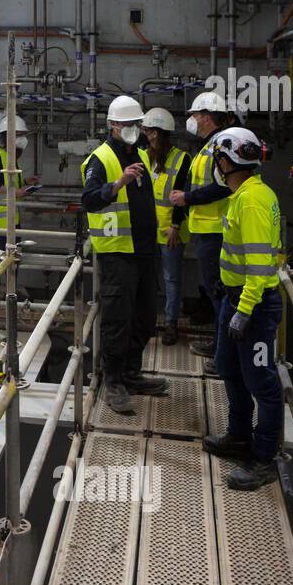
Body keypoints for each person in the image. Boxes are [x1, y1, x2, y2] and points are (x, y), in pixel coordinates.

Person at [200, 127, 283, 491]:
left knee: (262, 383)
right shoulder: (245, 195)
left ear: (226, 161)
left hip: (255, 307)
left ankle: (263, 458)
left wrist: (245, 310)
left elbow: (260, 264)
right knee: (227, 367)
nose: (215, 164)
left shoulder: (251, 201)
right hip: (235, 301)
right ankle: (238, 435)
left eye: (218, 157)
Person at [80, 95, 169, 415]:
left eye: (137, 124)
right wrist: (119, 182)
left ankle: (131, 372)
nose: (135, 130)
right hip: (118, 252)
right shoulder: (100, 159)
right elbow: (89, 200)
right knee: (117, 319)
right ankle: (113, 381)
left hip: (144, 249)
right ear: (114, 126)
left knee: (144, 316)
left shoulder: (141, 154)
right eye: (129, 125)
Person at [169, 91, 235, 371]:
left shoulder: (219, 146)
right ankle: (220, 345)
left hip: (216, 232)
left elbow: (223, 187)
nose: (193, 121)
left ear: (206, 117)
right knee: (215, 293)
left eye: (195, 116)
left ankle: (224, 359)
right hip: (207, 231)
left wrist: (187, 199)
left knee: (220, 294)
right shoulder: (210, 145)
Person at [141, 108, 191, 345]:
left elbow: (181, 195)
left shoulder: (182, 159)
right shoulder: (143, 156)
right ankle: (148, 322)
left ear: (162, 133)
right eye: (147, 131)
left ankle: (171, 324)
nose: (149, 136)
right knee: (148, 278)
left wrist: (175, 226)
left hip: (171, 230)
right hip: (148, 230)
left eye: (152, 132)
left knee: (171, 279)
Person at [0, 114, 38, 251]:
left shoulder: (10, 157)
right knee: (6, 257)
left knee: (12, 256)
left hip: (11, 218)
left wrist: (25, 181)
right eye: (20, 135)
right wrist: (17, 192)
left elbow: (6, 182)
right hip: (0, 221)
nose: (23, 139)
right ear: (8, 136)